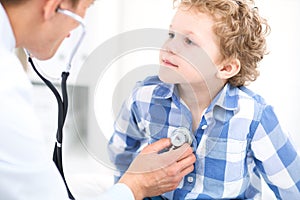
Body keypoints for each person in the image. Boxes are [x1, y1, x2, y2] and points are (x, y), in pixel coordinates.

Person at [0, 0, 196, 199]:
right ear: (54, 7)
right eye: (85, 9)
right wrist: (137, 185)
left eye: (190, 41)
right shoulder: (6, 86)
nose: (71, 33)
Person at [108, 0, 300, 199]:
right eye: (171, 34)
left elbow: (292, 187)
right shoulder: (143, 98)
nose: (169, 46)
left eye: (189, 41)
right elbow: (122, 154)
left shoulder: (254, 117)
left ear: (225, 68)